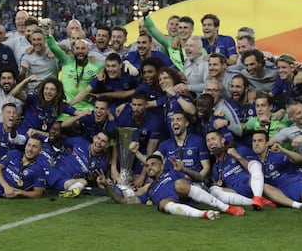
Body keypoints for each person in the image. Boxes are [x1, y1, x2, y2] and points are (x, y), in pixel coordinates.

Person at [97, 154, 245, 219]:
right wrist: (107, 185)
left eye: (153, 164)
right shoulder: (149, 189)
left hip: (186, 193)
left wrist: (184, 170)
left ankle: (226, 208)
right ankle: (204, 214)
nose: (149, 168)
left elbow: (200, 177)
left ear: (162, 165)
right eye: (147, 166)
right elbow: (123, 201)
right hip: (172, 204)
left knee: (179, 184)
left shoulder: (173, 172)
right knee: (162, 204)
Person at [205, 130, 277, 210]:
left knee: (255, 165)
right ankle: (254, 201)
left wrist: (238, 157)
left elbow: (257, 168)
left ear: (222, 140)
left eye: (213, 139)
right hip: (236, 192)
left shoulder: (240, 150)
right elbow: (220, 185)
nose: (211, 142)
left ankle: (257, 196)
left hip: (252, 185)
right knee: (213, 191)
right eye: (208, 140)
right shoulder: (215, 167)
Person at [42, 18, 103, 112]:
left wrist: (126, 63)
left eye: (83, 48)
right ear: (73, 49)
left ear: (88, 50)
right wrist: (47, 32)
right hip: (65, 107)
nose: (80, 51)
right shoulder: (66, 60)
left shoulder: (95, 64)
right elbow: (53, 47)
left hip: (87, 108)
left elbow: (110, 62)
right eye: (77, 48)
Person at [134, 112, 210, 182]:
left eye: (178, 119)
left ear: (186, 123)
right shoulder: (165, 144)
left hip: (193, 182)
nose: (175, 122)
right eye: (172, 120)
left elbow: (206, 167)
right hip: (172, 183)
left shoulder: (198, 140)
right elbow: (149, 161)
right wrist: (136, 152)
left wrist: (199, 179)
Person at [112, 91, 161, 187]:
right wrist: (113, 168)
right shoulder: (124, 115)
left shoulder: (154, 121)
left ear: (146, 105)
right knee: (117, 180)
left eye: (139, 105)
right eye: (134, 105)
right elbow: (117, 143)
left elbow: (150, 151)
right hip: (125, 151)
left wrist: (142, 177)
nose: (136, 108)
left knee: (136, 183)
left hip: (141, 152)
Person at [44, 130, 111, 197]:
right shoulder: (80, 141)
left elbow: (97, 184)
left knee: (84, 182)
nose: (99, 142)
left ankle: (68, 193)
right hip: (56, 170)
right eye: (98, 138)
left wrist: (100, 184)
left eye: (103, 141)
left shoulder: (101, 164)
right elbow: (61, 142)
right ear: (94, 138)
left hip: (67, 181)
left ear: (107, 145)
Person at [12, 77, 83, 137]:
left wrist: (86, 113)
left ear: (57, 92)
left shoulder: (60, 105)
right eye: (46, 88)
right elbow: (15, 93)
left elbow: (78, 113)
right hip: (22, 133)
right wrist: (27, 80)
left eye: (52, 89)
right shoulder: (34, 98)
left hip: (41, 138)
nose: (48, 92)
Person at [70, 53, 139, 113]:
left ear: (120, 65)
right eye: (108, 66)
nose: (110, 69)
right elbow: (86, 91)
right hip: (110, 106)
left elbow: (141, 89)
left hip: (130, 104)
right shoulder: (102, 76)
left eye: (113, 66)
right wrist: (69, 105)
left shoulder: (129, 72)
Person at [251, 130, 302, 208]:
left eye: (260, 140)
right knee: (263, 187)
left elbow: (299, 159)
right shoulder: (254, 162)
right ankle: (297, 205)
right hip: (280, 191)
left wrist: (283, 151)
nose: (256, 144)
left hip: (296, 182)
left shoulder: (276, 153)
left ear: (267, 143)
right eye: (254, 141)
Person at [18, 28, 59, 93]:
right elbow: (20, 79)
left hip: (50, 91)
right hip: (33, 92)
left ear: (45, 40)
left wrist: (55, 50)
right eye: (34, 40)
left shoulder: (53, 53)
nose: (36, 42)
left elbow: (67, 48)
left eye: (39, 39)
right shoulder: (27, 56)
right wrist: (23, 71)